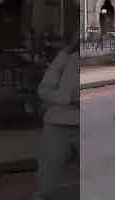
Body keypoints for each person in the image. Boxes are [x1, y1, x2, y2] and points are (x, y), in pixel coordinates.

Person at [32, 32, 79, 200]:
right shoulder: (64, 59)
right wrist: (70, 98)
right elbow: (44, 90)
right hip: (58, 123)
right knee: (46, 183)